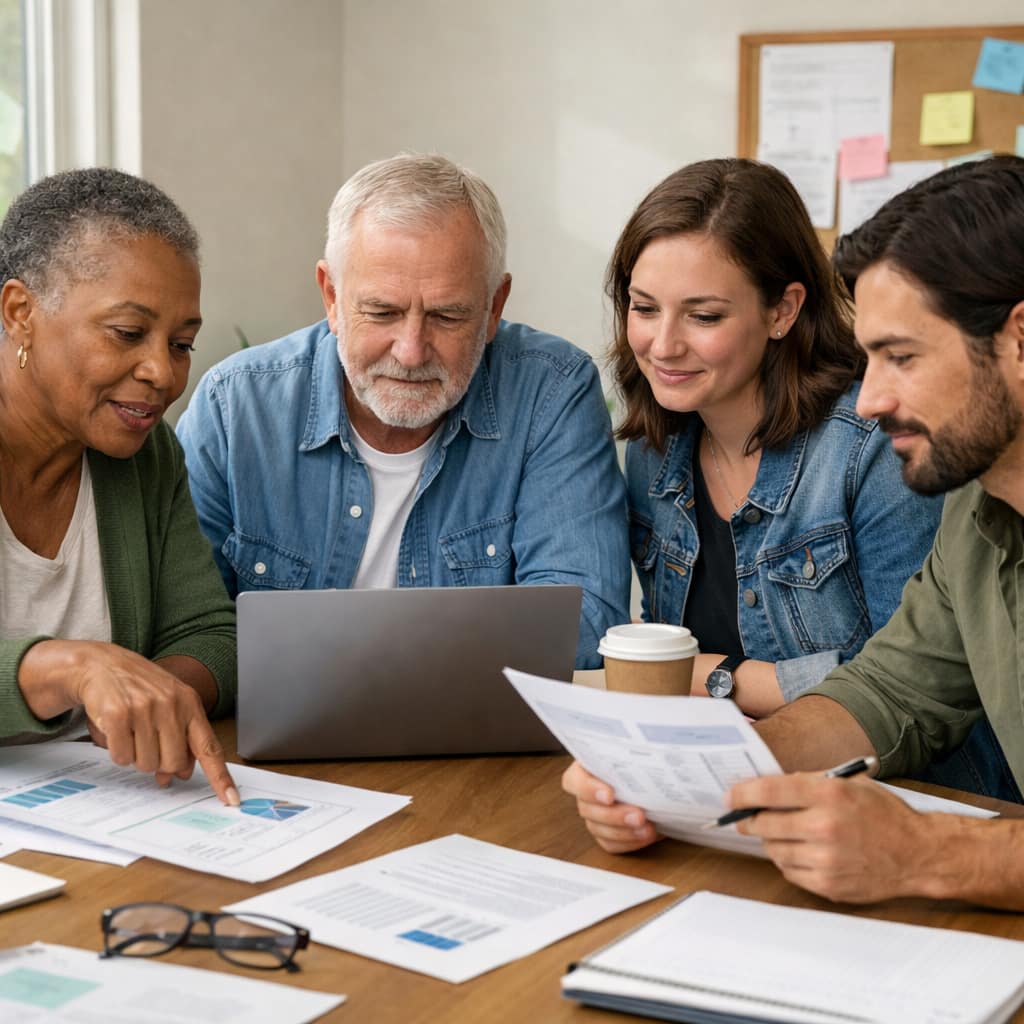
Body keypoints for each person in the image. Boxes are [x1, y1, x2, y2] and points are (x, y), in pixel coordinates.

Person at [565, 155, 1024, 909]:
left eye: (902, 357)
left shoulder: (890, 460)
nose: (869, 400)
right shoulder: (979, 510)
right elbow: (887, 691)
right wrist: (686, 781)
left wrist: (927, 852)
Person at [177, 154, 629, 668]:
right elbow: (187, 629)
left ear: (493, 307)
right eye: (382, 312)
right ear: (330, 295)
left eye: (447, 315)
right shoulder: (235, 406)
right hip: (267, 745)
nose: (411, 351)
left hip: (480, 739)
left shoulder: (550, 392)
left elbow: (586, 623)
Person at [608, 158, 940, 717]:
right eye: (644, 308)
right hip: (722, 768)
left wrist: (714, 677)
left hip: (888, 787)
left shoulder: (874, 447)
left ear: (783, 310)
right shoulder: (653, 450)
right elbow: (661, 656)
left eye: (703, 316)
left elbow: (908, 688)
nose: (662, 345)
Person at [0, 167, 238, 806]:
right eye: (128, 334)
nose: (162, 373)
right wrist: (67, 668)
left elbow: (210, 634)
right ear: (21, 313)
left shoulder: (142, 451)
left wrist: (149, 695)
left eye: (182, 343)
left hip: (93, 814)